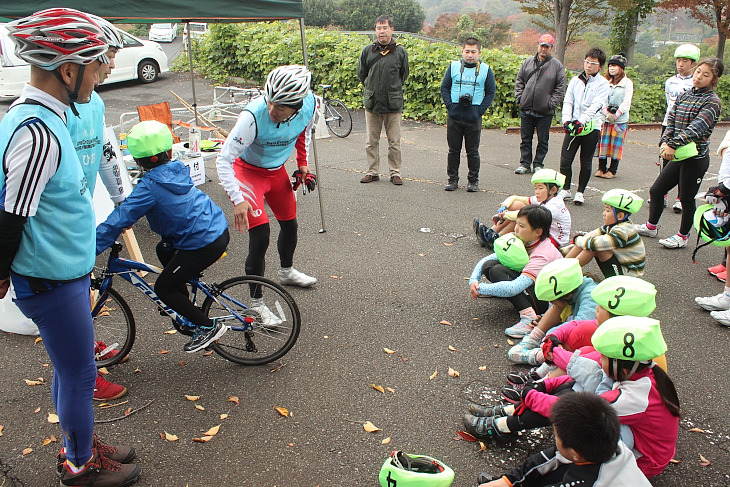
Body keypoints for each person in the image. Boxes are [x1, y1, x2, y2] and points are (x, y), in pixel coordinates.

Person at [0, 8, 140, 485]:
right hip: (49, 276)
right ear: (68, 70)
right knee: (81, 373)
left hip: (62, 269)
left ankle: (76, 441)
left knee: (69, 369)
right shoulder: (37, 129)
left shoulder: (48, 117)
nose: (103, 73)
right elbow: (9, 215)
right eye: (99, 65)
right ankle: (79, 465)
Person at [470, 317, 679, 479]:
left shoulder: (635, 398)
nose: (602, 358)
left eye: (605, 356)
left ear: (620, 364)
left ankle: (509, 445)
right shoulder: (640, 369)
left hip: (640, 461)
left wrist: (530, 394)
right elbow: (582, 367)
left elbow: (569, 410)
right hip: (631, 434)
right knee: (579, 386)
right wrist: (548, 371)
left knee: (580, 434)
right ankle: (507, 419)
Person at [96, 120, 230, 353]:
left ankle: (208, 326)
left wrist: (90, 249)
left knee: (164, 289)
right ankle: (184, 302)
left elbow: (119, 218)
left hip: (201, 243)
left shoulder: (149, 187)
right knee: (163, 249)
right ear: (169, 151)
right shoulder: (176, 169)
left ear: (137, 161)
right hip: (215, 228)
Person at [216, 65, 317, 322]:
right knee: (260, 235)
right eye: (270, 102)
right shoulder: (252, 117)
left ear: (297, 105)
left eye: (281, 107)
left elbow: (303, 132)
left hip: (277, 171)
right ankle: (256, 304)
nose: (272, 110)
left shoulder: (310, 105)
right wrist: (237, 199)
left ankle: (287, 272)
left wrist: (302, 162)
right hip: (247, 174)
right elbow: (223, 160)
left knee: (290, 225)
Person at [66, 14, 128, 402]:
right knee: (68, 302)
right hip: (58, 223)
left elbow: (103, 153)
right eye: (109, 56)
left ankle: (84, 352)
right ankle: (83, 374)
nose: (113, 66)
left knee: (82, 292)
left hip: (81, 214)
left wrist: (124, 201)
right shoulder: (56, 109)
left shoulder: (95, 101)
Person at [503, 275, 658, 385]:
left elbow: (577, 364)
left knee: (583, 354)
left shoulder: (622, 345)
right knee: (580, 333)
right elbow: (575, 325)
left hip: (609, 388)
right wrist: (553, 337)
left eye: (602, 306)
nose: (597, 308)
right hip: (600, 378)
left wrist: (553, 352)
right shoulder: (615, 328)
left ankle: (545, 383)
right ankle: (540, 374)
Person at [473, 392, 652, 487]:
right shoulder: (612, 446)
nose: (555, 441)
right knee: (550, 470)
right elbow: (552, 456)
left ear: (575, 453)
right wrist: (508, 480)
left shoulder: (584, 483)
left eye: (556, 436)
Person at [635, 58, 723, 249]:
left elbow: (696, 128)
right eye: (698, 71)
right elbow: (671, 119)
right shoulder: (685, 94)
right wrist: (665, 141)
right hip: (676, 154)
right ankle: (651, 226)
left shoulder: (712, 101)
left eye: (705, 74)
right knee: (657, 190)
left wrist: (673, 144)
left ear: (714, 79)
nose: (699, 76)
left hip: (695, 158)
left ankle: (682, 236)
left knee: (686, 198)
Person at [469, 205, 563, 338]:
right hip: (532, 287)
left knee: (497, 270)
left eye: (522, 226)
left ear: (538, 232)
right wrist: (474, 280)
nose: (515, 229)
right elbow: (490, 258)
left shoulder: (542, 254)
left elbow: (514, 287)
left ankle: (529, 317)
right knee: (489, 266)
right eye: (517, 224)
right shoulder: (524, 239)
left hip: (548, 303)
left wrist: (481, 289)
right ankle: (503, 292)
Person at [508, 258, 598, 365]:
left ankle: (542, 357)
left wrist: (550, 336)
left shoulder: (591, 296)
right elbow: (558, 307)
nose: (551, 302)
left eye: (553, 300)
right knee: (558, 309)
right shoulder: (573, 288)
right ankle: (535, 342)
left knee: (570, 334)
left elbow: (578, 329)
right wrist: (535, 336)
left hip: (598, 345)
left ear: (568, 295)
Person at [357, 14, 409, 185]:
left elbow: (403, 75)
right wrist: (371, 88)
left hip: (393, 104)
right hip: (372, 103)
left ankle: (395, 173)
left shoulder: (400, 52)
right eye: (378, 28)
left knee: (394, 142)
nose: (381, 32)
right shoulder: (367, 51)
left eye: (385, 28)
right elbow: (362, 74)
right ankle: (372, 172)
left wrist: (392, 89)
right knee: (371, 141)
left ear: (392, 29)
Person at [440, 37, 496, 192]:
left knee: (472, 151)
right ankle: (452, 179)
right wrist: (450, 106)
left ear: (479, 53)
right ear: (462, 51)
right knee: (453, 150)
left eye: (473, 52)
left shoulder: (485, 69)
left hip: (473, 115)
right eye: (467, 51)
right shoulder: (453, 66)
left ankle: (473, 181)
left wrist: (480, 110)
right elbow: (444, 87)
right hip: (455, 115)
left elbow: (491, 92)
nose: (470, 55)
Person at [558, 48, 610, 205]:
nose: (589, 65)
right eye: (587, 61)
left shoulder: (603, 84)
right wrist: (567, 120)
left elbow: (596, 105)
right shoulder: (575, 81)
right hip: (574, 125)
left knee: (585, 161)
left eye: (593, 63)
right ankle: (566, 189)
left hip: (591, 127)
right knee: (565, 160)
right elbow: (568, 101)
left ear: (600, 66)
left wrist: (582, 121)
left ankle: (580, 192)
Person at [473, 169, 571, 248]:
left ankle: (497, 239)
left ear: (553, 190)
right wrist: (504, 206)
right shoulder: (545, 198)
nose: (537, 192)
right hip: (542, 232)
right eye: (535, 188)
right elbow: (515, 197)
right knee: (517, 204)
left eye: (540, 188)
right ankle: (491, 232)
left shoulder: (554, 205)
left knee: (524, 220)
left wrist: (504, 215)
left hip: (552, 240)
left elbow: (527, 215)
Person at [514, 34, 567, 175]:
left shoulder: (556, 66)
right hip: (526, 108)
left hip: (545, 111)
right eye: (542, 45)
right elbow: (519, 81)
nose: (543, 49)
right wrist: (520, 98)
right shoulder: (528, 62)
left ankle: (538, 163)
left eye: (547, 47)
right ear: (538, 45)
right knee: (525, 138)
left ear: (551, 48)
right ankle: (525, 163)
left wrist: (551, 103)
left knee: (543, 140)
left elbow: (561, 87)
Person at [563, 188, 645, 278]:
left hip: (629, 275)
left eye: (608, 211)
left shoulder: (622, 231)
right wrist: (564, 251)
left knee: (594, 247)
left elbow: (595, 244)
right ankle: (561, 266)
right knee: (588, 242)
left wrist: (577, 240)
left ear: (620, 216)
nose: (604, 214)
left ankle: (565, 273)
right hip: (621, 266)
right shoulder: (612, 226)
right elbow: (590, 236)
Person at [662, 44, 701, 213]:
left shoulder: (695, 83)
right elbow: (669, 102)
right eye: (678, 60)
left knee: (683, 162)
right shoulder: (670, 81)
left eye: (685, 61)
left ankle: (679, 198)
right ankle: (662, 193)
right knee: (666, 158)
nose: (680, 64)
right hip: (669, 124)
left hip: (686, 128)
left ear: (693, 64)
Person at [595, 54, 633, 179]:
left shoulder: (627, 83)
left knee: (616, 145)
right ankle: (601, 168)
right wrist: (606, 112)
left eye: (615, 66)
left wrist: (616, 115)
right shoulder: (605, 82)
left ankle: (612, 170)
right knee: (603, 143)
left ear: (621, 68)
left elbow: (626, 102)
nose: (612, 68)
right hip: (605, 119)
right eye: (610, 66)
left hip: (620, 120)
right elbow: (602, 98)